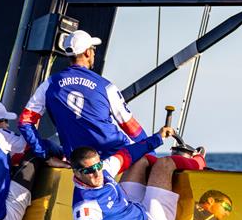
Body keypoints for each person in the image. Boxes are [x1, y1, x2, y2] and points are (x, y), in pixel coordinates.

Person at [71, 128, 206, 220]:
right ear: (77, 173)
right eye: (89, 171)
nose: (97, 173)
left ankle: (164, 171)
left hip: (134, 208)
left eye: (98, 166)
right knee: (165, 164)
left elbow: (127, 154)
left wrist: (158, 138)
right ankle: (199, 161)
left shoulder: (102, 170)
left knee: (139, 160)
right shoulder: (86, 207)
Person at [19, 29, 148, 162]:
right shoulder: (106, 86)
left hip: (79, 161)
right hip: (116, 156)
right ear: (87, 52)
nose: (93, 53)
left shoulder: (49, 84)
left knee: (48, 145)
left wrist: (42, 152)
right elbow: (130, 125)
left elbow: (25, 122)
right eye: (93, 49)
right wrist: (151, 153)